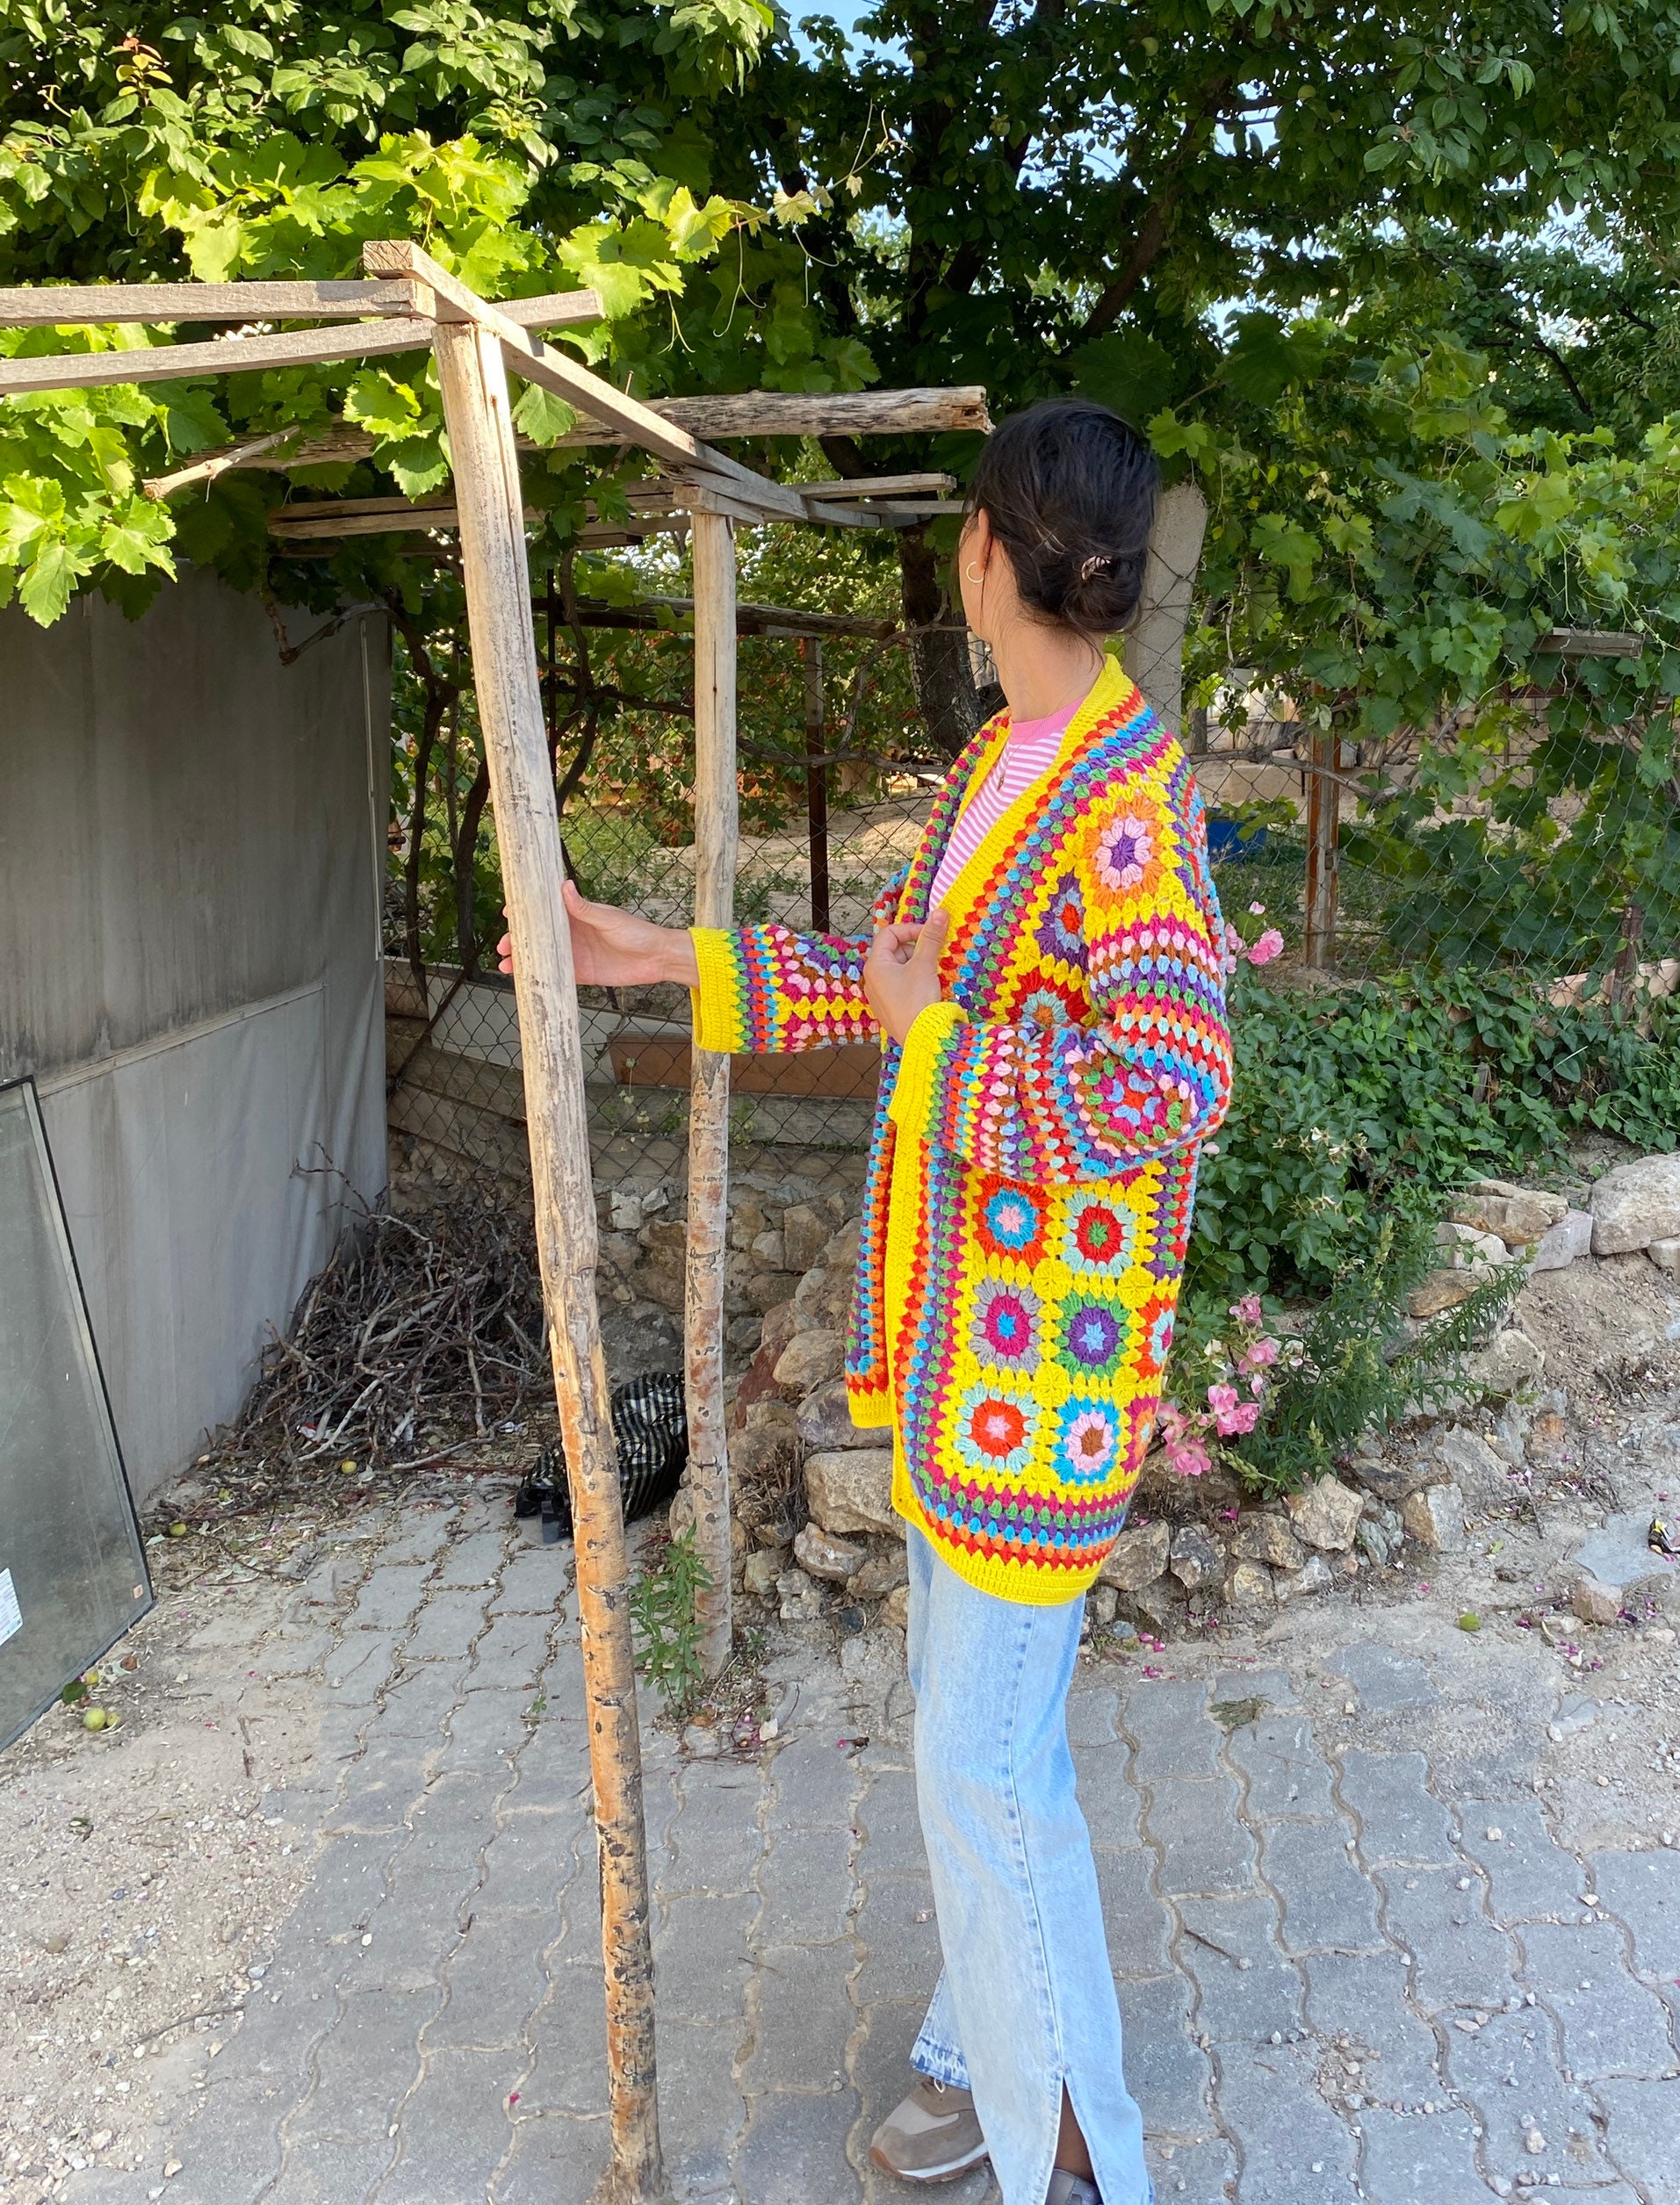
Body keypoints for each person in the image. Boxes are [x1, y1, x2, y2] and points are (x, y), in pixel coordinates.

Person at [511, 400, 1233, 2204]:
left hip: (1039, 1378)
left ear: (987, 552)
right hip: (958, 1370)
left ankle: (1075, 2150)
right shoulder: (1008, 765)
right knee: (990, 1755)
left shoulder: (1128, 807)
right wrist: (661, 953)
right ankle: (974, 2056)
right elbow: (880, 977)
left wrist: (941, 1055)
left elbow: (1169, 1084)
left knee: (979, 1771)